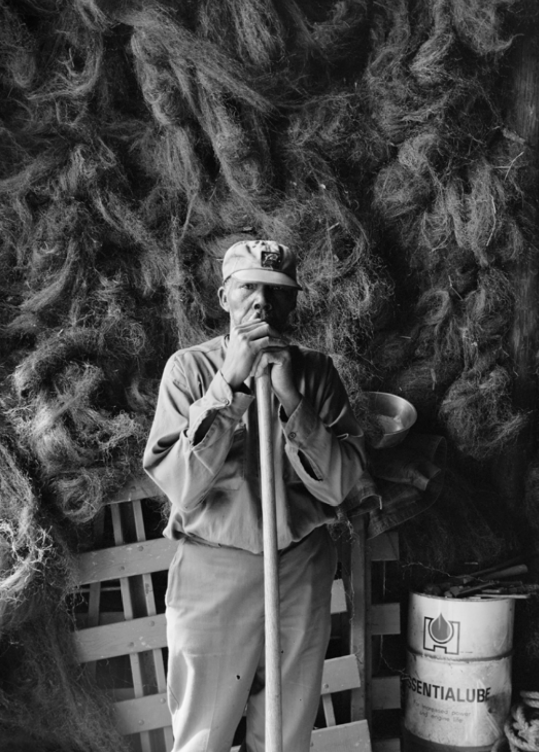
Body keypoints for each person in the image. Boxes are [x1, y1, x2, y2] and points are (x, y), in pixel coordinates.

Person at [143, 239, 367, 752]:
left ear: (292, 303)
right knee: (204, 734)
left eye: (275, 291)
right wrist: (230, 384)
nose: (261, 302)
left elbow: (338, 485)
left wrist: (290, 396)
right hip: (215, 571)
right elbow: (181, 484)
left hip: (298, 566)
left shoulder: (315, 372)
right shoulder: (189, 371)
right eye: (248, 288)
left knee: (286, 736)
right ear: (224, 297)